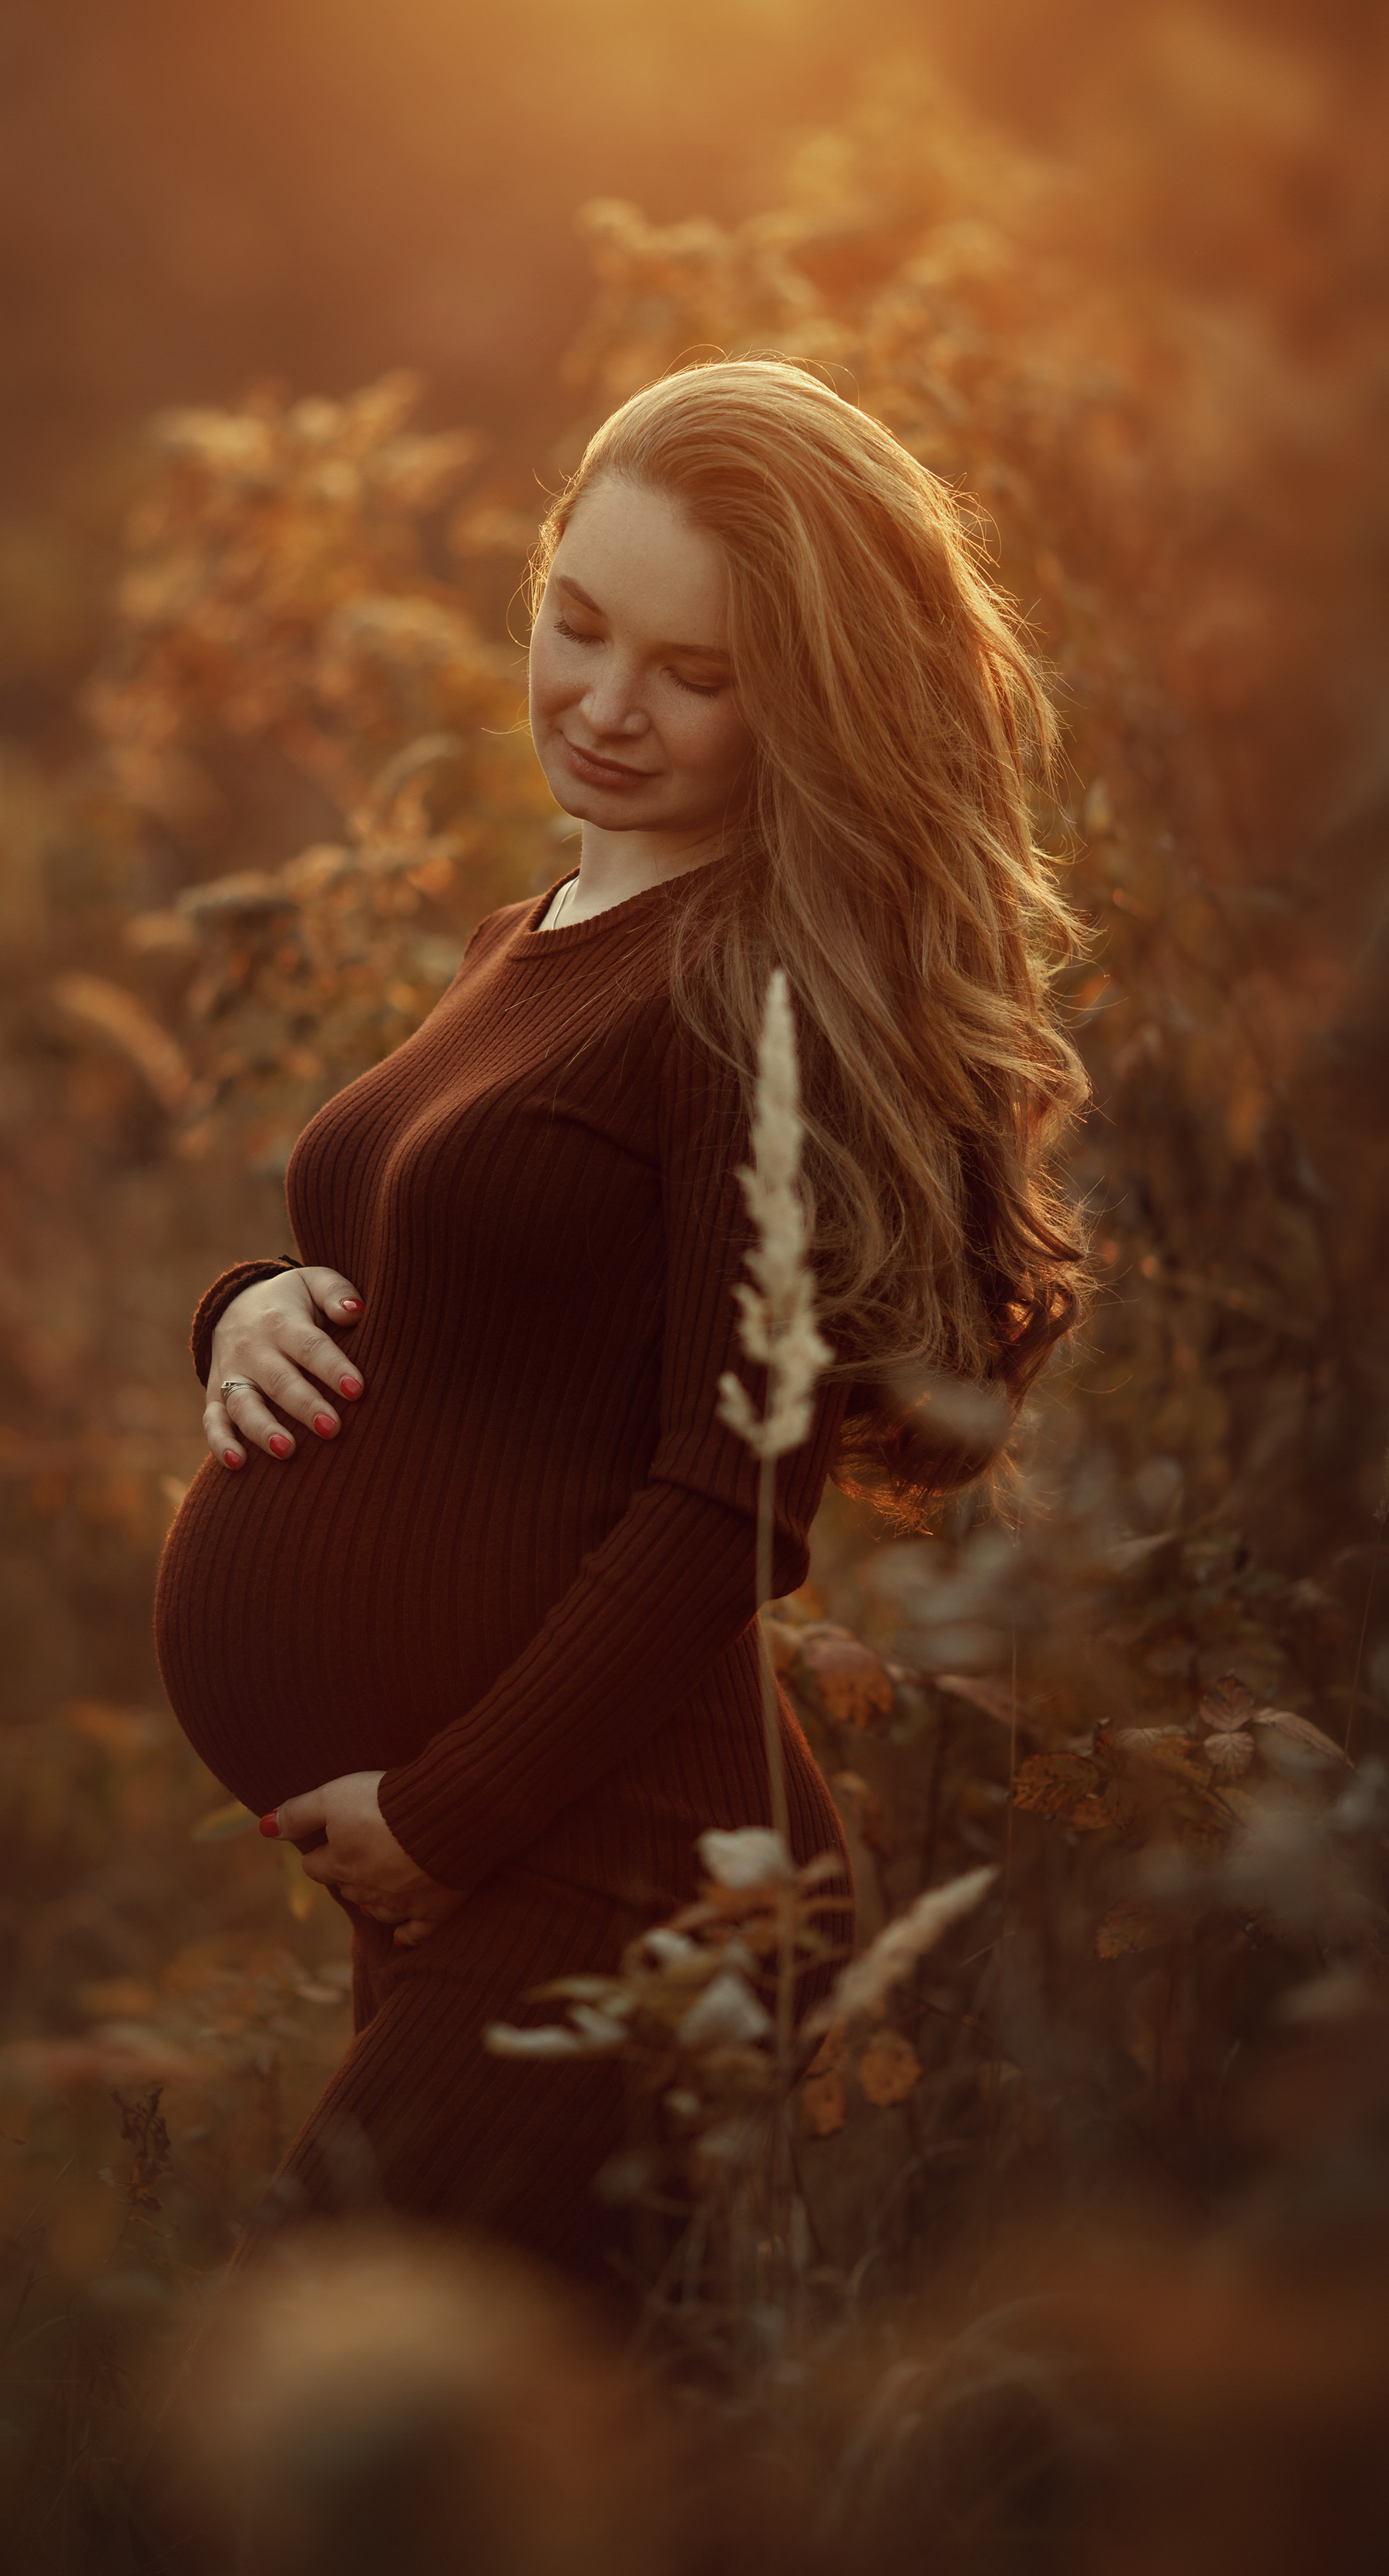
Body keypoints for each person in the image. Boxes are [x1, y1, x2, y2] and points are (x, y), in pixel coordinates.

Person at [154, 356, 1087, 2287]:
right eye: (577, 626)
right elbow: (445, 1297)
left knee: (244, 2459)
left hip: (611, 1868)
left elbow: (724, 1495)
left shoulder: (744, 996)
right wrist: (240, 1309)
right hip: (484, 1854)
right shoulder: (541, 932)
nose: (603, 702)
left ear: (805, 698)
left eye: (694, 671)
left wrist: (442, 1815)